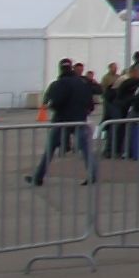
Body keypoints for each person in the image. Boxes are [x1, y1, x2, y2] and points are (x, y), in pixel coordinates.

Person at [29, 57, 100, 186]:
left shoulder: (59, 84)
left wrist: (54, 107)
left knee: (50, 149)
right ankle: (93, 174)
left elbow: (56, 102)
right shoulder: (82, 82)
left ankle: (38, 176)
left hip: (62, 120)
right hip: (80, 119)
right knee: (86, 150)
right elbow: (91, 102)